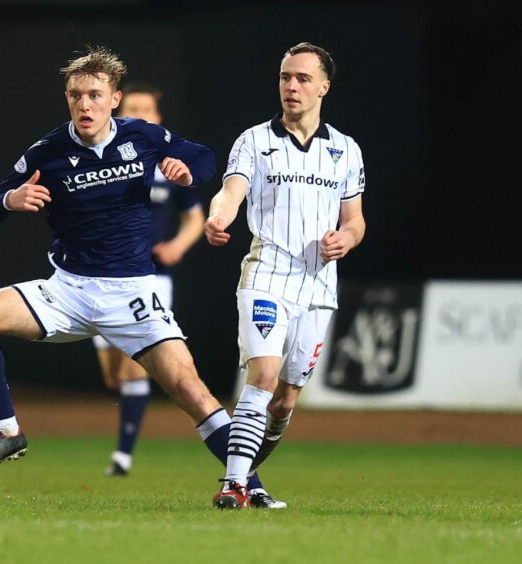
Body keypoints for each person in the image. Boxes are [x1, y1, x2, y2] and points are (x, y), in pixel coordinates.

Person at [0, 47, 284, 508]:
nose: (84, 105)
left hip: (133, 294)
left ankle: (250, 487)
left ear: (115, 99)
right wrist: (10, 200)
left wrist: (188, 172)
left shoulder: (144, 137)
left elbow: (206, 157)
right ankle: (7, 431)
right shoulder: (47, 152)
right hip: (66, 290)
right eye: (75, 95)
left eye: (94, 95)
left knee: (190, 389)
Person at [205, 42, 366, 509]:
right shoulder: (254, 141)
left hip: (318, 288)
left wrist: (348, 239)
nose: (291, 86)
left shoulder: (346, 151)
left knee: (286, 400)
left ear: (324, 87)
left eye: (301, 78)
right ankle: (233, 485)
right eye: (284, 77)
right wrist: (219, 217)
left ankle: (251, 475)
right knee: (264, 375)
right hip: (266, 275)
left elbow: (355, 219)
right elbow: (230, 191)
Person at [93, 82, 205, 478]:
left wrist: (177, 245)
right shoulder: (100, 158)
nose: (139, 116)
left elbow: (196, 216)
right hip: (100, 278)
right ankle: (126, 441)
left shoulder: (167, 162)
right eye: (132, 108)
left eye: (147, 110)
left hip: (152, 278)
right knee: (113, 375)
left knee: (132, 368)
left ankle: (122, 457)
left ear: (158, 119)